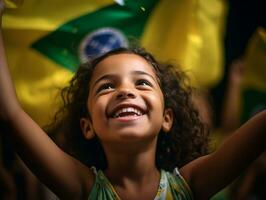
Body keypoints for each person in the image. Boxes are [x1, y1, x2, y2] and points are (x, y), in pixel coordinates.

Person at [1, 4, 266, 200]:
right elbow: (11, 113)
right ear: (87, 126)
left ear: (166, 118)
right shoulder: (81, 187)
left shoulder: (191, 183)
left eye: (142, 83)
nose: (125, 91)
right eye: (106, 86)